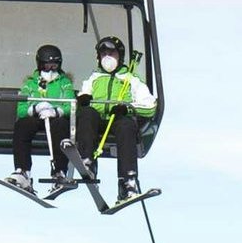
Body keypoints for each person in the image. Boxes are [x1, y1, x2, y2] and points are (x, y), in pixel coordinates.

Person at [73, 34, 158, 201]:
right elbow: (83, 94)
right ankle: (88, 162)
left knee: (126, 125)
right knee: (87, 114)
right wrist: (83, 100)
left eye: (111, 54)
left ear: (120, 56)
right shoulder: (94, 78)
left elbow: (150, 106)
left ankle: (127, 180)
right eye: (103, 54)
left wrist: (127, 108)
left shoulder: (131, 79)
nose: (107, 58)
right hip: (97, 120)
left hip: (117, 120)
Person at [8, 42, 78, 194]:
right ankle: (23, 171)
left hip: (54, 117)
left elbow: (71, 105)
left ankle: (59, 171)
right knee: (22, 125)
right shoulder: (30, 84)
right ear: (40, 65)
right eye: (47, 66)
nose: (51, 70)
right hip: (37, 116)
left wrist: (56, 111)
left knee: (61, 126)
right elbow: (21, 109)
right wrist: (35, 108)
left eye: (54, 66)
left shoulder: (64, 83)